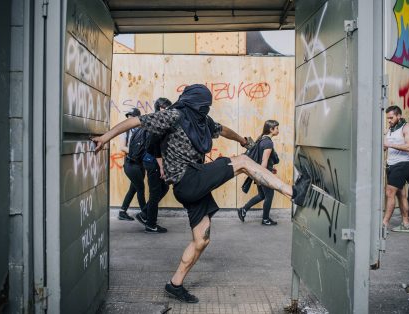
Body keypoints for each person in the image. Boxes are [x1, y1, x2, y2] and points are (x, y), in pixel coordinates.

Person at [92, 84, 303, 303]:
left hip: (195, 182)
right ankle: (293, 192)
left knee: (201, 240)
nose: (206, 109)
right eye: (204, 105)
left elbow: (223, 130)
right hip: (187, 180)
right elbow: (135, 121)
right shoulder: (174, 115)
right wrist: (105, 137)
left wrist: (242, 140)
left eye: (209, 106)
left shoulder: (203, 121)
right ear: (193, 102)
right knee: (243, 162)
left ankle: (175, 284)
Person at [135, 98, 173, 233]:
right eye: (165, 108)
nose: (168, 110)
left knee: (164, 188)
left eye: (169, 107)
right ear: (159, 108)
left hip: (153, 161)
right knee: (155, 193)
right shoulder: (156, 123)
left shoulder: (159, 121)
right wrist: (161, 167)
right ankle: (151, 224)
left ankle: (144, 213)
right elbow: (153, 147)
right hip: (153, 162)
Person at [237, 120, 280, 225]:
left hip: (259, 171)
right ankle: (265, 219)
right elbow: (264, 161)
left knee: (261, 195)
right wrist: (261, 176)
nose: (278, 130)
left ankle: (243, 209)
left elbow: (261, 159)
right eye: (277, 128)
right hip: (263, 174)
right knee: (269, 196)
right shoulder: (268, 142)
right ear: (271, 129)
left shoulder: (261, 140)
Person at [382, 105, 409, 233]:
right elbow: (385, 146)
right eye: (388, 118)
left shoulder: (407, 128)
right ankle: (406, 224)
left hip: (402, 165)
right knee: (401, 195)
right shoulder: (391, 129)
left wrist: (389, 144)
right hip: (391, 165)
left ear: (399, 116)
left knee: (389, 193)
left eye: (391, 117)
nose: (389, 120)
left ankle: (383, 225)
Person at [117, 108, 146, 221]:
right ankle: (145, 214)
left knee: (133, 189)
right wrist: (137, 151)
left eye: (131, 117)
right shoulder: (125, 131)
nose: (129, 119)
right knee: (140, 188)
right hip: (131, 164)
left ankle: (122, 211)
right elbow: (122, 147)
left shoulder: (143, 129)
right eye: (128, 117)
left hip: (140, 164)